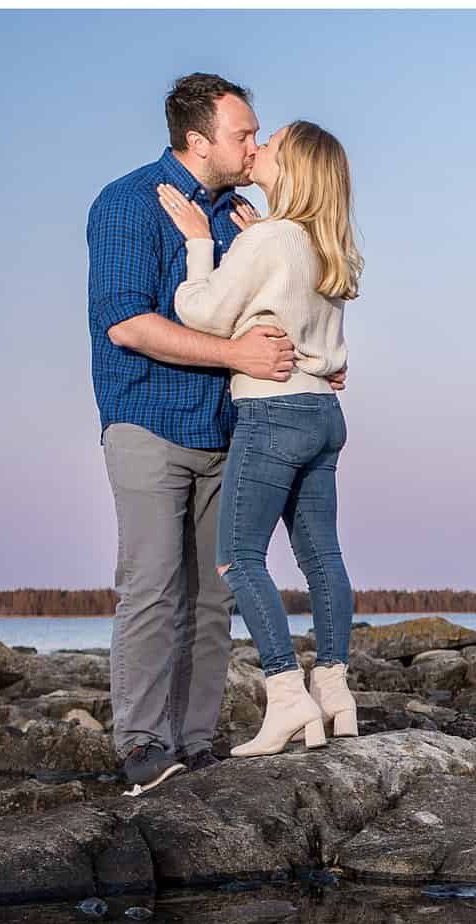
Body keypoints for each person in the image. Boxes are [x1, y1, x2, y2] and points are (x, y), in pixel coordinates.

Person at [88, 73, 305, 794]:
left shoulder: (238, 215)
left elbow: (256, 315)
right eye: (243, 134)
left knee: (214, 594)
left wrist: (309, 360)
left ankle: (197, 741)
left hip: (227, 430)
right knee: (152, 586)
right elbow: (128, 323)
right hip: (147, 420)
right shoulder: (126, 204)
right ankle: (144, 746)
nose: (255, 144)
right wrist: (238, 354)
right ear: (197, 140)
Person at [160, 119, 362, 757]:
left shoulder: (271, 239)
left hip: (272, 413)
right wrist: (252, 244)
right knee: (321, 558)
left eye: (270, 143)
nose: (259, 149)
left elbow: (201, 311)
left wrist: (199, 243)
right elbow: (310, 325)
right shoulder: (325, 245)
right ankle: (333, 686)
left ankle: (285, 692)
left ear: (293, 167)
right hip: (323, 416)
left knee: (237, 558)